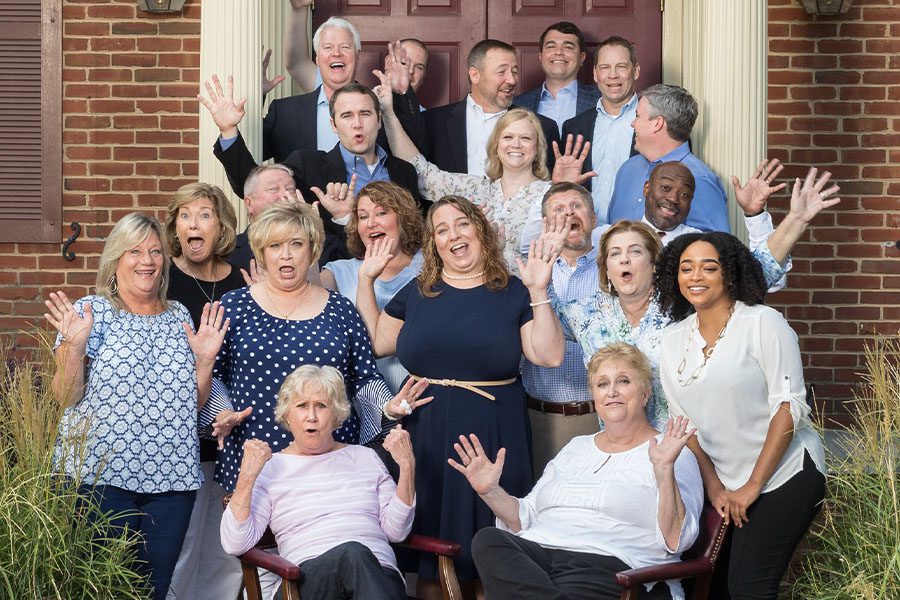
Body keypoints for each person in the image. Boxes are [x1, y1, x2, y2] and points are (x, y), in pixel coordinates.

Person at [199, 200, 431, 597]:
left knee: (350, 552)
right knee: (258, 568)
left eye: (296, 244)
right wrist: (221, 413)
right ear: (259, 252)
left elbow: (363, 379)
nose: (285, 255)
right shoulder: (232, 309)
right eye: (274, 246)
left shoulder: (340, 310)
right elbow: (210, 373)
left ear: (313, 250)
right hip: (260, 459)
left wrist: (387, 406)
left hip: (333, 460)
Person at [361, 196, 564, 596]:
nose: (453, 234)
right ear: (433, 243)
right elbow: (378, 342)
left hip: (491, 433)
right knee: (430, 560)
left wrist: (538, 290)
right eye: (441, 229)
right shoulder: (419, 292)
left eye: (461, 224)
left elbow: (550, 354)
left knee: (489, 556)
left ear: (479, 230)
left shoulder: (512, 291)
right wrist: (366, 281)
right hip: (426, 434)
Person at [654, 170, 839, 600]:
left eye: (709, 267)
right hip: (724, 481)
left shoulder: (763, 324)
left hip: (784, 474)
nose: (696, 276)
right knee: (714, 588)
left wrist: (752, 486)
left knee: (749, 588)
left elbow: (789, 408)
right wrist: (717, 488)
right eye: (686, 268)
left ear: (730, 273)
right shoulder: (672, 339)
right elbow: (683, 424)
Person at [45, 213, 228, 600]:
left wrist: (206, 362)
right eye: (135, 251)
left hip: (172, 481)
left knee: (154, 589)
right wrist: (74, 349)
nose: (146, 260)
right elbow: (64, 397)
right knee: (101, 588)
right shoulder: (91, 311)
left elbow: (189, 407)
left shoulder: (179, 315)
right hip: (100, 478)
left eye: (155, 252)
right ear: (115, 259)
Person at [451, 342, 703, 600]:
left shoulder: (672, 453)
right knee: (488, 540)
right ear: (594, 395)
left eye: (624, 381)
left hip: (609, 566)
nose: (612, 391)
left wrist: (663, 470)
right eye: (602, 384)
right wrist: (491, 492)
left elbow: (676, 541)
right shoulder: (576, 447)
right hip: (538, 557)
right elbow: (525, 517)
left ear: (646, 393)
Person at [220, 364, 417, 600]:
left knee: (359, 559)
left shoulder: (365, 457)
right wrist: (247, 476)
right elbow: (235, 543)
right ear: (287, 414)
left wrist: (407, 467)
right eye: (302, 406)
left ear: (336, 414)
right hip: (304, 582)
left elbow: (396, 531)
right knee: (353, 554)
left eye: (321, 406)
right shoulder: (272, 468)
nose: (311, 416)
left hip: (379, 574)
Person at [377, 72, 589, 274]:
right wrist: (388, 113)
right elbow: (421, 172)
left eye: (525, 138)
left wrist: (569, 190)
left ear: (537, 150)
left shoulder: (549, 196)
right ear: (496, 146)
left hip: (526, 301)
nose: (516, 144)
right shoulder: (476, 188)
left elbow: (560, 262)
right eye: (508, 137)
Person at [200, 78, 422, 265]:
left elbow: (414, 233)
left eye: (365, 114)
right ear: (333, 125)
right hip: (333, 281)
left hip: (399, 277)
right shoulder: (308, 165)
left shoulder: (404, 172)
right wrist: (229, 131)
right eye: (346, 116)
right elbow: (254, 184)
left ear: (379, 120)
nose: (357, 124)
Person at [162, 183, 247, 600]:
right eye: (185, 215)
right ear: (175, 227)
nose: (193, 224)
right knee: (181, 542)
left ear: (222, 227)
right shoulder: (162, 278)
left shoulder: (242, 277)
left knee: (226, 545)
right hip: (182, 431)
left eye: (204, 215)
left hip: (236, 435)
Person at [255, 10, 424, 160]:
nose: (336, 53)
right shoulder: (284, 112)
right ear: (318, 60)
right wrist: (256, 94)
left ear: (358, 56)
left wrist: (402, 92)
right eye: (328, 47)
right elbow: (247, 163)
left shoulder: (382, 106)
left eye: (344, 47)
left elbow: (417, 158)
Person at [393, 38, 559, 177]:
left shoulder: (543, 127)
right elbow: (414, 172)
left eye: (514, 72)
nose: (512, 80)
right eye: (502, 72)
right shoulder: (431, 122)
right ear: (475, 75)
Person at [522, 182, 600, 476]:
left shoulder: (614, 270)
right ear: (545, 225)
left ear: (593, 219)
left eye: (577, 207)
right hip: (539, 419)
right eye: (559, 210)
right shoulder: (527, 274)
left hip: (597, 417)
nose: (569, 215)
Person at [320, 180, 425, 393]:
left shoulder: (429, 265)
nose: (371, 223)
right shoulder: (340, 270)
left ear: (403, 218)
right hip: (360, 399)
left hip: (420, 393)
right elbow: (308, 295)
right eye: (363, 216)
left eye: (381, 213)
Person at [607, 84, 729, 232]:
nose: (633, 124)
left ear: (657, 123)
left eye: (638, 116)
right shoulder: (628, 169)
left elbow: (716, 247)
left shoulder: (699, 179)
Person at [562, 35, 641, 221]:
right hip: (586, 236)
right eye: (605, 67)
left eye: (621, 67)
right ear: (596, 74)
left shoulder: (655, 124)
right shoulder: (574, 127)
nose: (612, 75)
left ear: (635, 71)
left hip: (636, 235)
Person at [513, 22, 600, 134]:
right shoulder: (518, 104)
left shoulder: (601, 100)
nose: (558, 52)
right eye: (551, 46)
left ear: (582, 58)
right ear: (540, 56)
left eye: (568, 47)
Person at [227, 164, 298, 274]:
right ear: (249, 203)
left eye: (290, 189)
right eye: (274, 189)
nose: (285, 194)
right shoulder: (226, 253)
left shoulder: (320, 246)